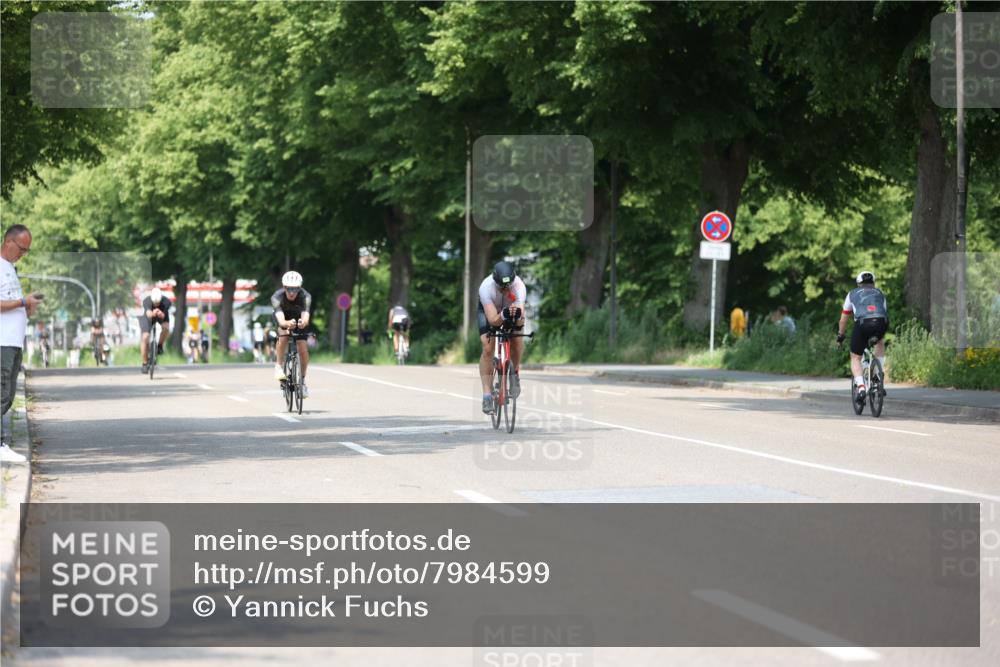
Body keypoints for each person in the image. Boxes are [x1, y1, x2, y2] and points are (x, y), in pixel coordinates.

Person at [1, 224, 39, 463]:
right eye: (22, 249)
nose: (23, 254)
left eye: (27, 251)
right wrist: (21, 302)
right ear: (9, 242)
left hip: (14, 341)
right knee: (2, 391)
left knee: (8, 393)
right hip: (2, 341)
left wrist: (27, 307)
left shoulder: (11, 269)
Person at [478, 260, 528, 414]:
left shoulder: (519, 286)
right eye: (501, 287)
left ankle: (515, 372)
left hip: (509, 311)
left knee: (517, 339)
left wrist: (515, 317)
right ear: (495, 282)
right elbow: (493, 319)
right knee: (487, 348)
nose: (505, 289)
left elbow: (520, 319)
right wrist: (503, 315)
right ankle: (487, 395)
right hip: (489, 312)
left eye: (508, 286)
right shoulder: (486, 288)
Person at [837, 271, 889, 401]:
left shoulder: (852, 294)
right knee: (880, 341)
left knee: (855, 357)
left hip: (862, 324)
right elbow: (884, 313)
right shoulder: (880, 293)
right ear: (873, 283)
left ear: (858, 284)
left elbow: (843, 319)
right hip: (881, 322)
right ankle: (878, 377)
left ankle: (861, 388)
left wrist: (840, 335)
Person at [271, 271, 312, 398]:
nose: (292, 292)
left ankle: (302, 381)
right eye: (289, 289)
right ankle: (278, 365)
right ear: (284, 287)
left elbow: (306, 316)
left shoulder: (305, 296)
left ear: (299, 288)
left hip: (299, 321)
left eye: (295, 289)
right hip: (284, 318)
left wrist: (302, 322)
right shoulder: (276, 297)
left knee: (303, 347)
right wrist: (288, 324)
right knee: (283, 334)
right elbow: (281, 321)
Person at [140, 287, 171, 373]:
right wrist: (153, 313)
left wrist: (161, 313)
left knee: (166, 328)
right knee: (145, 337)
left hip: (161, 316)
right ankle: (145, 363)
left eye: (158, 303)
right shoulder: (147, 301)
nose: (156, 305)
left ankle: (160, 345)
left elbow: (164, 316)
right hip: (149, 318)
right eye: (155, 303)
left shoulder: (166, 302)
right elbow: (148, 314)